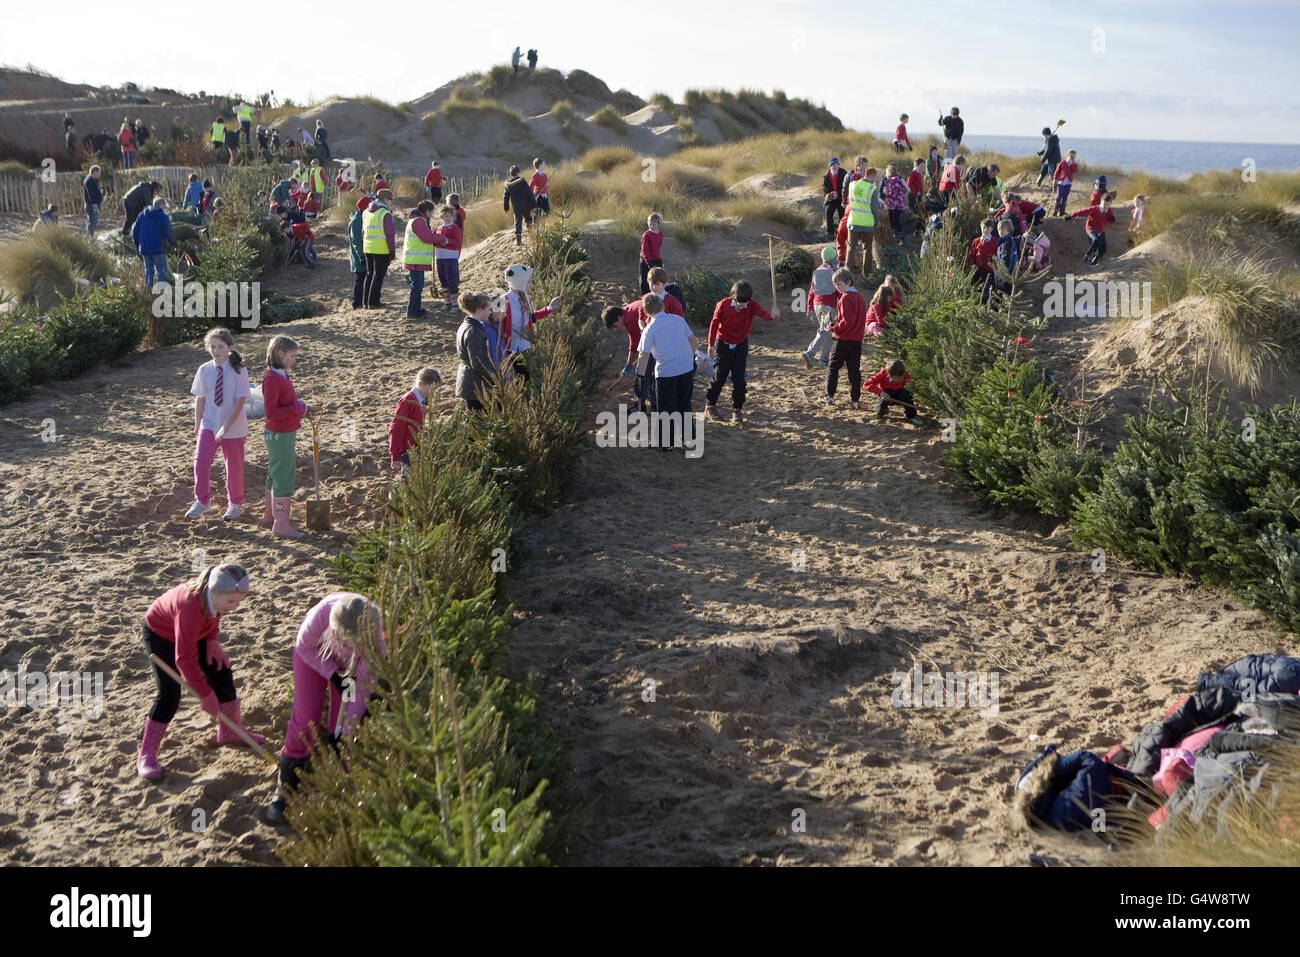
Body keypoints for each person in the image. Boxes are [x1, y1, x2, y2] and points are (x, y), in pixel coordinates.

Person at [135, 562, 263, 780]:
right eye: (231, 601)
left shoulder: (216, 598)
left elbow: (215, 615)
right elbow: (184, 659)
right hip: (161, 633)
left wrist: (212, 640)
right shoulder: (190, 606)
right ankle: (146, 755)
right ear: (213, 591)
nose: (234, 607)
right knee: (169, 693)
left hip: (195, 630)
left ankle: (229, 731)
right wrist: (205, 694)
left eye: (238, 603)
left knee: (221, 670)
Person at [266, 594, 386, 824]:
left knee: (341, 730)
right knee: (305, 718)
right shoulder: (320, 617)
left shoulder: (376, 641)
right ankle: (287, 781)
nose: (346, 644)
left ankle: (339, 786)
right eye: (342, 638)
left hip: (355, 669)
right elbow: (305, 648)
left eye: (354, 642)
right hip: (315, 655)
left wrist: (344, 734)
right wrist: (333, 674)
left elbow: (361, 691)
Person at [185, 326, 252, 521]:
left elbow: (240, 401)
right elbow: (200, 398)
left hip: (234, 426)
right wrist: (198, 424)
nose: (216, 351)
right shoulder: (204, 369)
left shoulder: (239, 370)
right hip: (210, 423)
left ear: (229, 347)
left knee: (233, 466)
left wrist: (225, 427)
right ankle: (202, 501)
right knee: (201, 461)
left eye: (220, 346)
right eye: (212, 347)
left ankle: (236, 504)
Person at [262, 335, 315, 538]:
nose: (294, 360)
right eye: (291, 356)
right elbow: (272, 412)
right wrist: (298, 408)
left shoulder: (280, 374)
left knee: (275, 473)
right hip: (279, 433)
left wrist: (299, 408)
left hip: (283, 431)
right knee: (284, 475)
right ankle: (281, 525)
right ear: (280, 353)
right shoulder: (273, 378)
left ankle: (269, 516)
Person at [705, 279, 779, 425]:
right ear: (733, 297)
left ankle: (737, 409)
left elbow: (764, 315)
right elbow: (714, 323)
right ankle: (711, 404)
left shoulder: (751, 304)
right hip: (723, 345)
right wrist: (710, 344)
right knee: (719, 376)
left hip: (740, 344)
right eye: (741, 303)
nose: (744, 305)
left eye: (746, 302)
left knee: (739, 379)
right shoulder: (723, 304)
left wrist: (773, 315)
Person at [634, 294, 699, 450]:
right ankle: (689, 439)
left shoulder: (649, 329)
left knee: (666, 408)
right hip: (686, 367)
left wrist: (639, 376)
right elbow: (693, 341)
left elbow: (644, 355)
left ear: (646, 313)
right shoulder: (678, 320)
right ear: (663, 305)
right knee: (684, 403)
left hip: (666, 372)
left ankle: (666, 444)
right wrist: (690, 357)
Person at [498, 263, 560, 381]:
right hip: (510, 350)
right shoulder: (503, 301)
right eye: (529, 281)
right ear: (519, 282)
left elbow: (530, 318)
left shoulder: (526, 297)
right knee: (516, 381)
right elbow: (494, 325)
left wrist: (548, 309)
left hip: (525, 346)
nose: (531, 284)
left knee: (527, 378)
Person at [388, 368, 441, 475]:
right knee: (407, 478)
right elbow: (396, 428)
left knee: (414, 476)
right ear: (421, 384)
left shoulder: (420, 401)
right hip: (407, 449)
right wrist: (395, 454)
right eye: (432, 389)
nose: (433, 393)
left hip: (416, 447)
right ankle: (396, 492)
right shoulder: (408, 400)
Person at [455, 292, 496, 411]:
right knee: (477, 420)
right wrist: (494, 378)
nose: (490, 312)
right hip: (475, 384)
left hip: (468, 379)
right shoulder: (474, 332)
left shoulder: (466, 325)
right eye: (489, 309)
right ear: (479, 310)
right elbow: (478, 363)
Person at [802, 246, 841, 370]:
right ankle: (810, 353)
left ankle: (823, 360)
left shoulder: (818, 271)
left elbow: (811, 291)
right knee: (824, 330)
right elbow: (838, 291)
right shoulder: (834, 272)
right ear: (833, 258)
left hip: (817, 305)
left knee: (827, 332)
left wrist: (810, 308)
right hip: (828, 306)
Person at [402, 202, 438, 318]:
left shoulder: (416, 220)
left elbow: (426, 235)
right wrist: (442, 238)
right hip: (415, 259)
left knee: (417, 286)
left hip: (415, 259)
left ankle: (415, 309)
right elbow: (427, 238)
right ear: (427, 211)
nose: (432, 214)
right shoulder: (418, 221)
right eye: (431, 212)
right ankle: (412, 312)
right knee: (416, 287)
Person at [362, 189, 396, 308]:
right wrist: (392, 250)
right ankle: (374, 302)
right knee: (378, 275)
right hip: (381, 249)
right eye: (391, 199)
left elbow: (363, 232)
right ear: (386, 199)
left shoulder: (366, 212)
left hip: (368, 247)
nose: (391, 202)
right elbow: (390, 235)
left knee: (369, 274)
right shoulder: (385, 214)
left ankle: (365, 302)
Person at [845, 167, 882, 276]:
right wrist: (877, 221)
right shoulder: (872, 189)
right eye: (875, 177)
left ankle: (847, 273)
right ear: (872, 175)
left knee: (851, 248)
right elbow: (874, 208)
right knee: (867, 249)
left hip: (853, 221)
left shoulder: (852, 185)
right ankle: (866, 274)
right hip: (867, 224)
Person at [131, 196, 174, 289]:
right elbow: (167, 232)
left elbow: (135, 232)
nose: (164, 209)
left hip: (144, 249)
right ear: (161, 205)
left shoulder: (141, 215)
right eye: (164, 206)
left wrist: (137, 244)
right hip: (158, 248)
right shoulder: (162, 216)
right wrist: (174, 243)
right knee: (162, 271)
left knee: (148, 270)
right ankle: (159, 293)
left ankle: (148, 291)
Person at [865, 359, 919, 423]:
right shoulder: (882, 374)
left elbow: (916, 388)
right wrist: (881, 392)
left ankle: (911, 415)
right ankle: (880, 412)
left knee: (905, 393)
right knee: (887, 392)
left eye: (902, 377)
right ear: (889, 375)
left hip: (901, 397)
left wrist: (917, 401)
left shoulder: (906, 375)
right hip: (887, 397)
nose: (900, 380)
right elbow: (867, 384)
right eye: (897, 378)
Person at [432, 203, 464, 310]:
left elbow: (457, 242)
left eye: (450, 216)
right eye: (445, 216)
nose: (448, 218)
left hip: (451, 257)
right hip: (440, 257)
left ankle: (455, 303)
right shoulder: (438, 228)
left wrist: (447, 241)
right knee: (443, 280)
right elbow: (435, 241)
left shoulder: (454, 227)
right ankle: (447, 302)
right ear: (442, 217)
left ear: (453, 217)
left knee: (452, 280)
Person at [1071, 194, 1116, 265]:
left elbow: (1110, 220)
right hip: (1091, 228)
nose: (1105, 206)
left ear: (1110, 204)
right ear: (1101, 202)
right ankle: (1087, 255)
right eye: (1104, 204)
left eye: (1108, 205)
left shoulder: (1109, 210)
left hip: (1100, 231)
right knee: (1095, 240)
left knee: (1103, 249)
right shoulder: (1094, 209)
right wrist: (1073, 215)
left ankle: (1094, 260)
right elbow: (1083, 211)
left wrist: (1112, 220)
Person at [967, 218, 998, 302]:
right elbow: (972, 254)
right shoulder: (976, 241)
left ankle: (986, 305)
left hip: (989, 270)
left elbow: (996, 254)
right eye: (984, 227)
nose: (985, 230)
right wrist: (972, 263)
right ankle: (977, 303)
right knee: (977, 288)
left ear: (992, 229)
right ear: (981, 227)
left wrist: (994, 265)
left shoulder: (994, 241)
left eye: (988, 228)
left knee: (987, 289)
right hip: (977, 269)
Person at [503, 165, 534, 246]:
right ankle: (532, 238)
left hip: (516, 206)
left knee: (518, 221)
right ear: (519, 172)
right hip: (525, 205)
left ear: (511, 174)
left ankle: (518, 241)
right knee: (528, 220)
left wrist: (506, 207)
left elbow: (506, 197)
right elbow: (529, 193)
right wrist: (533, 204)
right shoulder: (523, 182)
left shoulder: (508, 185)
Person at [347, 195, 369, 309]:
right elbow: (356, 241)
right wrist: (361, 256)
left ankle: (362, 301)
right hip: (359, 256)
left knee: (363, 278)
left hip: (362, 254)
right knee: (359, 279)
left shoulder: (361, 219)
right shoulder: (356, 221)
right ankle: (356, 303)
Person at [881, 163, 908, 246]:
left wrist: (885, 192)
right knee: (895, 221)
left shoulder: (892, 181)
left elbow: (893, 193)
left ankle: (901, 237)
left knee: (895, 222)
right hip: (899, 205)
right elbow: (904, 190)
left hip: (893, 205)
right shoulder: (899, 180)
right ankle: (897, 236)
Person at [638, 212, 664, 294]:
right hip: (646, 260)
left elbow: (658, 247)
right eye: (650, 224)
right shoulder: (646, 235)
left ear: (658, 224)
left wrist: (658, 259)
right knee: (645, 280)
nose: (652, 226)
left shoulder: (660, 234)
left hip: (656, 259)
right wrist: (649, 262)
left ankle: (657, 294)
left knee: (658, 278)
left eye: (654, 224)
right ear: (648, 223)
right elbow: (645, 250)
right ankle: (644, 296)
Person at [822, 157, 848, 237]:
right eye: (833, 165)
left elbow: (846, 187)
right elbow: (824, 187)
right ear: (830, 166)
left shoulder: (844, 173)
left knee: (842, 214)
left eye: (837, 164)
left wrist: (838, 194)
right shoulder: (827, 176)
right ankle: (830, 233)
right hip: (832, 199)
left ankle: (842, 233)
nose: (835, 166)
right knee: (828, 212)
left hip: (841, 198)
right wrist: (828, 194)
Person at [994, 219, 1019, 291]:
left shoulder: (1008, 242)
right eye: (999, 230)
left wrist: (1004, 269)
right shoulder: (1002, 241)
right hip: (1002, 270)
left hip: (1007, 272)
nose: (1000, 232)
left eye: (1003, 229)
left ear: (1008, 230)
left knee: (1005, 290)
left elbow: (1007, 256)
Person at [1052, 150, 1079, 216]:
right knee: (1059, 196)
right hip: (1061, 182)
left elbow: (1074, 170)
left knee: (1065, 197)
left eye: (1074, 157)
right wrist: (1055, 179)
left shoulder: (1074, 164)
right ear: (1068, 155)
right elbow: (1057, 171)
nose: (1072, 158)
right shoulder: (1063, 162)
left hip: (1068, 183)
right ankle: (1055, 211)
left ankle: (1062, 211)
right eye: (1071, 156)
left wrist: (1073, 164)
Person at [529, 157, 550, 225]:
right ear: (540, 165)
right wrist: (532, 197)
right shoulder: (535, 175)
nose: (545, 165)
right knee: (538, 211)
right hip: (538, 195)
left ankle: (542, 223)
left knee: (547, 211)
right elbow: (531, 186)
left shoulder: (544, 175)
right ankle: (535, 225)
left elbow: (546, 184)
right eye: (544, 164)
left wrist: (547, 184)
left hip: (545, 195)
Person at [82, 165, 102, 235]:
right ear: (95, 172)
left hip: (92, 204)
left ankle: (89, 235)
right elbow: (91, 194)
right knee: (92, 221)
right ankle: (89, 236)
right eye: (99, 172)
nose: (100, 174)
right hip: (91, 205)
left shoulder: (92, 179)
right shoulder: (89, 181)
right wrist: (94, 205)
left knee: (92, 221)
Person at [906, 158, 926, 225]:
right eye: (922, 166)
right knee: (914, 211)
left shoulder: (918, 173)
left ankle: (918, 224)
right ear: (917, 166)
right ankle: (914, 226)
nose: (923, 168)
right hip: (913, 195)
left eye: (924, 167)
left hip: (917, 195)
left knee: (918, 210)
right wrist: (916, 192)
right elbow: (909, 184)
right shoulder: (913, 173)